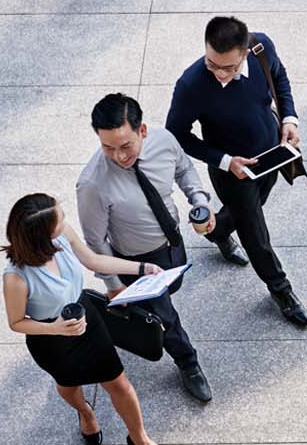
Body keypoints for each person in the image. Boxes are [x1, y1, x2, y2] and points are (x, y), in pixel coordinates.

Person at [166, 15, 307, 327]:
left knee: (255, 206)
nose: (219, 74)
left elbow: (280, 77)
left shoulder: (262, 48)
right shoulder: (191, 85)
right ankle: (280, 289)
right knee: (255, 233)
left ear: (244, 53)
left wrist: (289, 119)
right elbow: (176, 133)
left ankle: (217, 230)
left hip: (272, 152)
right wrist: (225, 161)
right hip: (231, 170)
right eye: (211, 63)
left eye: (228, 67)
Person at [77, 93, 214, 403]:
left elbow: (184, 169)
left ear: (142, 130)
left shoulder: (163, 141)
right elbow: (95, 242)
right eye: (107, 147)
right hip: (135, 260)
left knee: (173, 286)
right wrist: (113, 285)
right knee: (165, 315)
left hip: (172, 241)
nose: (117, 156)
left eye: (125, 146)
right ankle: (188, 362)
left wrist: (200, 200)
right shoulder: (92, 184)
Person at [0, 193, 161, 445]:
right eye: (58, 218)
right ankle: (85, 413)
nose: (64, 219)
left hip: (87, 318)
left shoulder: (62, 233)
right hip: (51, 338)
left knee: (118, 382)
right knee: (68, 384)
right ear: (42, 234)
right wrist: (55, 328)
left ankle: (140, 438)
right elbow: (16, 322)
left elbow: (93, 260)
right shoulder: (16, 277)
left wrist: (143, 268)